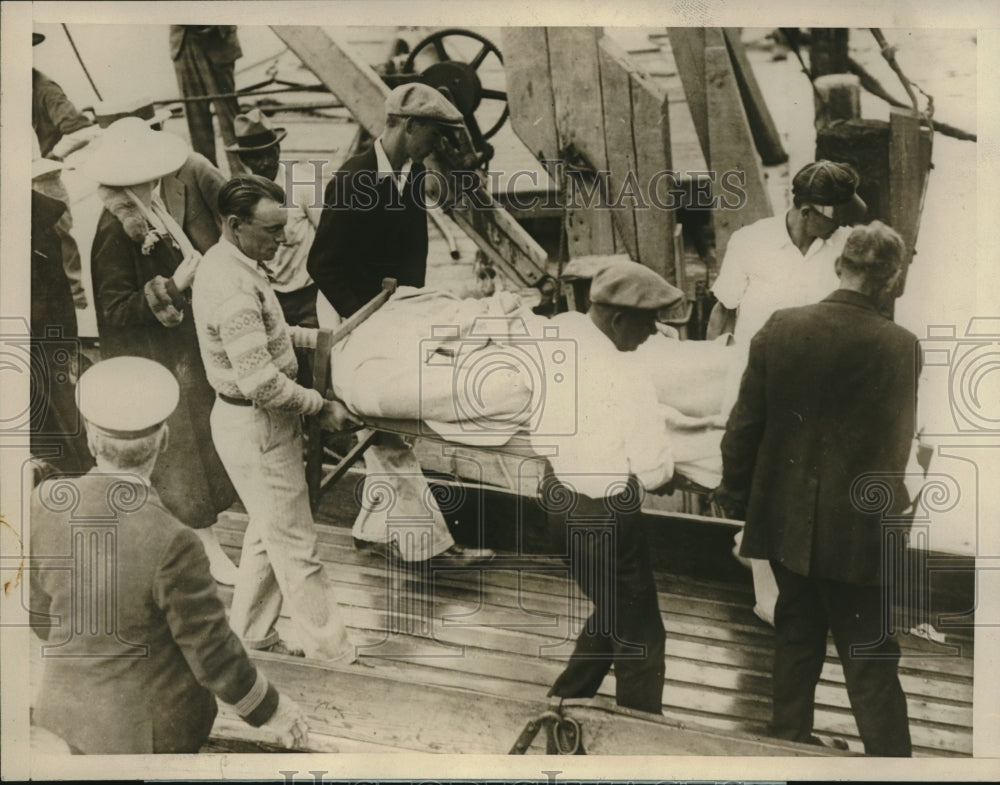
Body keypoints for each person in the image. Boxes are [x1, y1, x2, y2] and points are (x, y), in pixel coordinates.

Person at [30, 357, 308, 754]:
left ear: (91, 438)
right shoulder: (173, 540)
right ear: (163, 440)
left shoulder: (41, 505)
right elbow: (212, 652)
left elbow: (39, 613)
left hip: (69, 713)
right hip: (149, 732)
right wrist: (273, 710)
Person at [717, 221, 918, 756]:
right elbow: (893, 453)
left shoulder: (780, 327)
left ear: (839, 267)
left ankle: (787, 743)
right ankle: (892, 763)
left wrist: (735, 496)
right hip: (855, 535)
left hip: (783, 525)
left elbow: (743, 427)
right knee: (870, 660)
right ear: (892, 280)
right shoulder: (900, 346)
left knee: (795, 634)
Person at [307, 83, 493, 566]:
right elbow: (322, 265)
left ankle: (373, 527)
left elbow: (413, 262)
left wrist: (410, 316)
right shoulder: (353, 180)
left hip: (392, 314)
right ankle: (428, 549)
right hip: (352, 317)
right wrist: (367, 320)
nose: (439, 145)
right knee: (387, 433)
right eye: (434, 133)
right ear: (409, 126)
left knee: (385, 434)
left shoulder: (411, 178)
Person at [191, 175, 361, 661]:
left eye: (284, 227)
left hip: (248, 425)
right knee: (299, 548)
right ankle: (335, 654)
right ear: (234, 224)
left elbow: (261, 331)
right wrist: (320, 406)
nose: (282, 240)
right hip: (258, 428)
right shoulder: (232, 285)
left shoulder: (229, 261)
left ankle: (250, 636)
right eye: (270, 231)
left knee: (269, 535)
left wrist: (311, 339)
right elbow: (261, 382)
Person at [710, 159, 868, 625]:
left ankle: (757, 553)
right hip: (754, 387)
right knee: (762, 487)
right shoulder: (750, 242)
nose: (842, 222)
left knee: (805, 488)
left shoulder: (844, 245)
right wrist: (712, 366)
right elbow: (723, 312)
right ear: (806, 210)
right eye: (835, 212)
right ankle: (769, 599)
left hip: (817, 392)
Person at [83, 117, 239, 585]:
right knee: (183, 454)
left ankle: (184, 543)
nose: (157, 181)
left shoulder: (147, 214)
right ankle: (204, 545)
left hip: (173, 353)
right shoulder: (115, 230)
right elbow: (113, 309)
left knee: (184, 451)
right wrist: (173, 284)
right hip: (149, 361)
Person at [533, 261, 680, 715]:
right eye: (648, 322)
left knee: (614, 609)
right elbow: (655, 473)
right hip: (608, 520)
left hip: (558, 504)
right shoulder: (627, 376)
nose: (653, 333)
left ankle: (564, 700)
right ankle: (639, 737)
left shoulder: (556, 338)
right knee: (642, 638)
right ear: (618, 321)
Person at [30, 153, 92, 477]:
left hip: (46, 335)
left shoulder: (42, 219)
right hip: (41, 336)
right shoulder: (43, 218)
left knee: (59, 409)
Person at [227, 109, 319, 327]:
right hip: (269, 295)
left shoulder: (304, 183)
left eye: (271, 152)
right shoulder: (241, 196)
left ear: (279, 148)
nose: (266, 162)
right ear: (244, 159)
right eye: (257, 157)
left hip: (310, 294)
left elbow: (330, 235)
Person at [32, 32, 99, 309]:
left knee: (62, 252)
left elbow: (81, 129)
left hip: (43, 182)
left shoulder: (45, 88)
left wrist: (52, 156)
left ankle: (78, 314)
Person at [169, 25, 244, 176]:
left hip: (218, 38)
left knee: (228, 114)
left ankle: (242, 180)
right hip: (184, 42)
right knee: (197, 121)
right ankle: (209, 181)